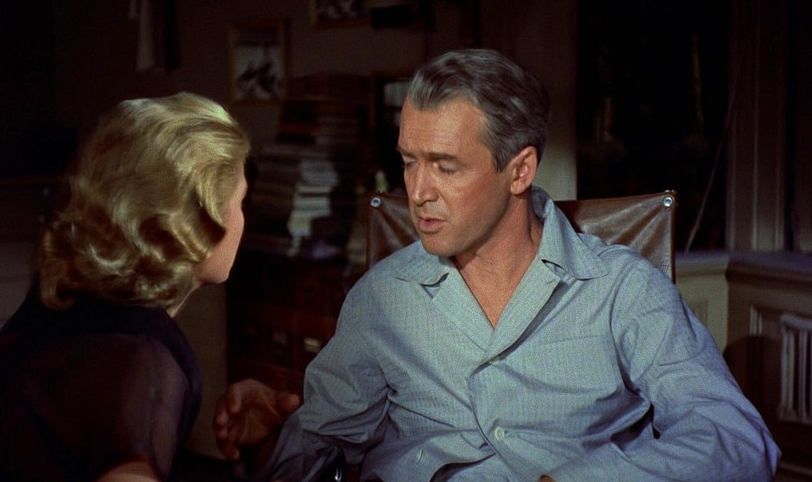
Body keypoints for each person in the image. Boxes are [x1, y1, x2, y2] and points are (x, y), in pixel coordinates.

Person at [214, 49, 780, 481]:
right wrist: (266, 438)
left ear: (520, 171)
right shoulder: (382, 296)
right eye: (409, 162)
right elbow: (314, 453)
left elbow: (736, 440)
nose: (418, 191)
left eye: (445, 167)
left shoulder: (622, 289)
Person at [0, 92, 251, 481]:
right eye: (240, 202)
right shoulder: (142, 359)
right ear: (197, 221)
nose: (243, 220)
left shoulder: (62, 303)